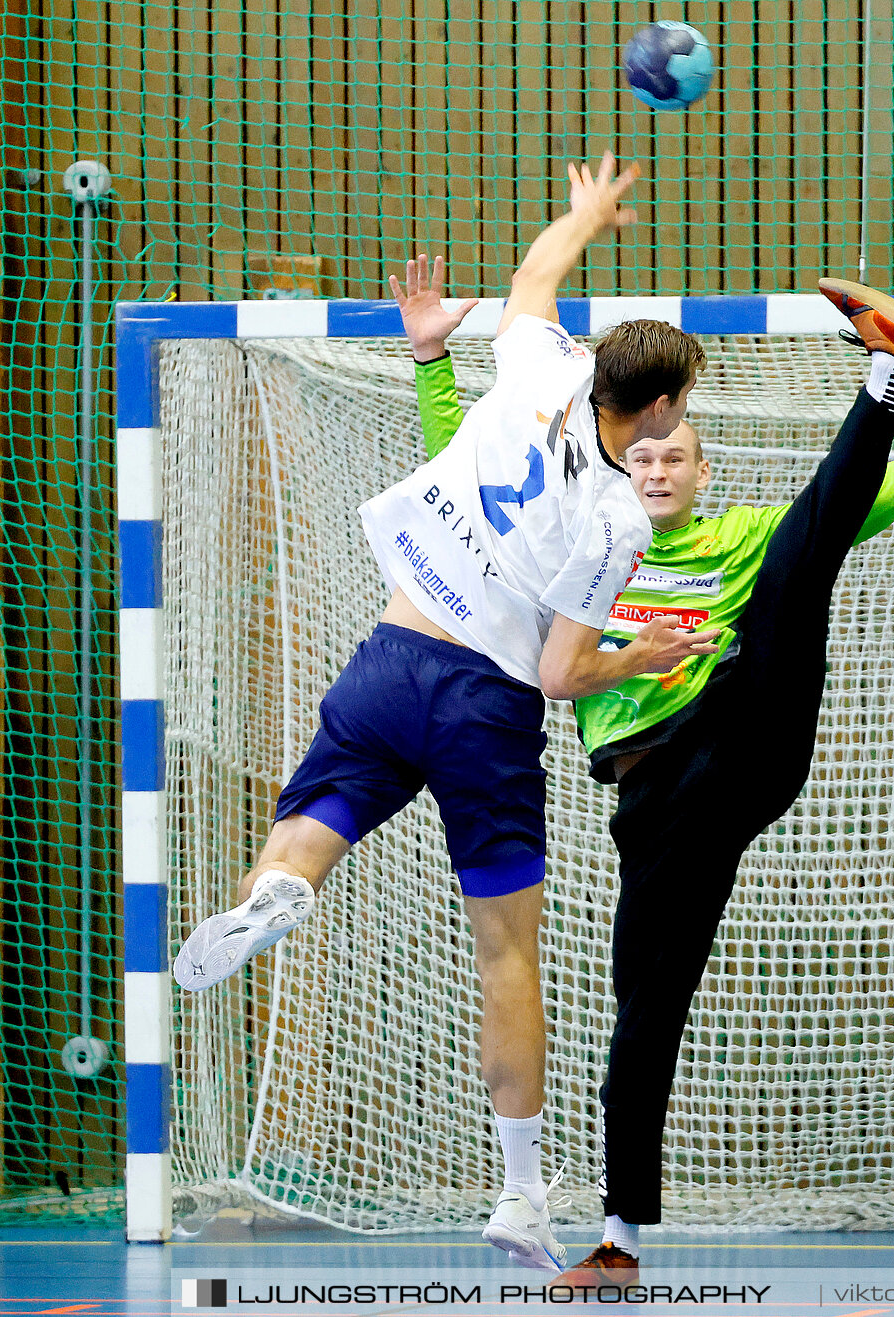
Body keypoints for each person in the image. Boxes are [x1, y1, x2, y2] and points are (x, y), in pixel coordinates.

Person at [405, 276, 894, 1279]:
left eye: (677, 454)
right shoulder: (577, 552)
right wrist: (430, 363)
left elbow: (851, 506)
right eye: (643, 455)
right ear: (617, 469)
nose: (660, 466)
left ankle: (892, 371)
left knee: (801, 558)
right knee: (646, 1010)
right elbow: (471, 495)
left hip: (748, 720)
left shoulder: (738, 538)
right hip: (659, 805)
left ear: (701, 471)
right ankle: (620, 1241)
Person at [171, 154, 718, 1274]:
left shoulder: (536, 366)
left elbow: (531, 278)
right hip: (485, 706)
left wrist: (583, 218)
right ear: (658, 407)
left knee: (305, 833)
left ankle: (281, 890)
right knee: (506, 952)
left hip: (389, 655)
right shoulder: (616, 520)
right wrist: (642, 654)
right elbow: (565, 672)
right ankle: (520, 1199)